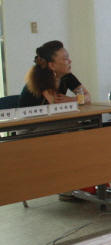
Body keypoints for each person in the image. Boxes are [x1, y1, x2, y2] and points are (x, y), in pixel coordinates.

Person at [19, 41, 93, 200]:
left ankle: (77, 183)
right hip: (29, 130)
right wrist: (75, 100)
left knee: (86, 130)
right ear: (52, 65)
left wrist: (73, 100)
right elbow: (57, 105)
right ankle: (70, 186)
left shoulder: (66, 76)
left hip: (53, 124)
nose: (70, 61)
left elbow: (87, 96)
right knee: (80, 132)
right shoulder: (40, 79)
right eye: (65, 58)